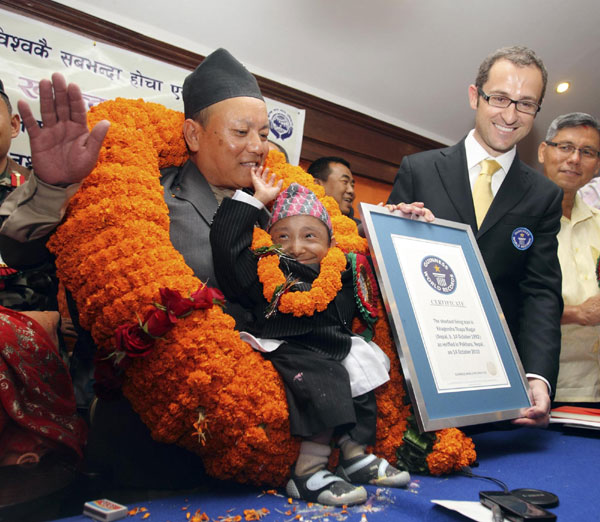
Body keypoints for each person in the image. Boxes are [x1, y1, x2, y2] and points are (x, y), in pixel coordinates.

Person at [387, 46, 563, 428]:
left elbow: (541, 292)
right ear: (474, 96)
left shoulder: (544, 196)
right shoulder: (419, 170)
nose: (511, 115)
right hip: (418, 380)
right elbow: (385, 274)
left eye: (526, 104)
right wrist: (390, 228)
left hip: (500, 389)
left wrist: (538, 375)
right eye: (499, 98)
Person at [210, 168, 409, 506]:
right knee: (327, 373)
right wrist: (255, 201)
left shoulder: (339, 272)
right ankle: (307, 473)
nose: (296, 247)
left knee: (364, 361)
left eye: (310, 236)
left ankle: (354, 455)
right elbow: (227, 247)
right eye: (283, 236)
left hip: (329, 343)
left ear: (330, 243)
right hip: (287, 345)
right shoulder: (262, 270)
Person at [538, 112, 600, 405]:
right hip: (546, 389)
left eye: (587, 152)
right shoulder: (515, 223)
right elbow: (500, 304)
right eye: (565, 147)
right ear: (543, 151)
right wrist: (576, 313)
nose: (575, 159)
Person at [307, 156, 357, 220]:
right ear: (317, 185)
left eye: (352, 185)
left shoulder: (362, 228)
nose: (351, 190)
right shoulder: (299, 220)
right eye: (345, 181)